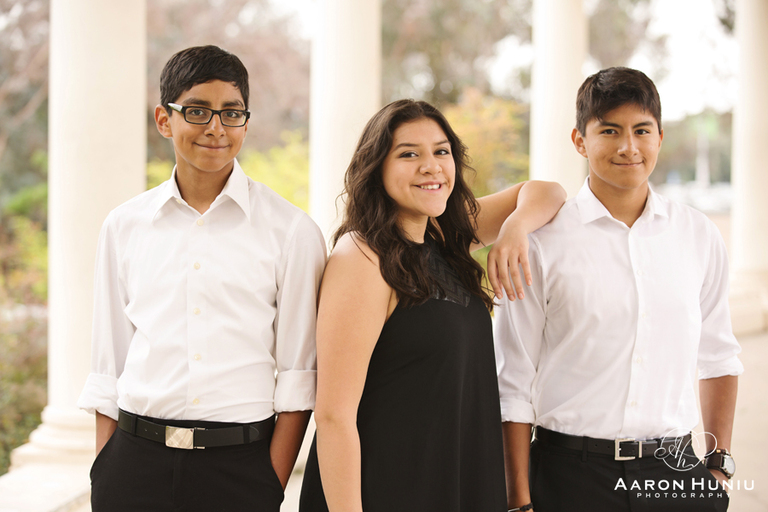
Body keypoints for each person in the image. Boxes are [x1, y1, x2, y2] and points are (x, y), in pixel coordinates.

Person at [76, 45, 326, 512]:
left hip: (241, 472)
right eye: (197, 111)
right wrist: (104, 468)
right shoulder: (124, 226)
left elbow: (298, 374)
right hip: (132, 466)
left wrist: (268, 483)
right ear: (164, 120)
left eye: (231, 113)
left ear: (246, 124)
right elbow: (108, 364)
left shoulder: (292, 232)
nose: (216, 128)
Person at [494, 67, 743, 512]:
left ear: (659, 138)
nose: (629, 147)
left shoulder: (698, 235)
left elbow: (719, 355)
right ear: (580, 141)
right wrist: (519, 502)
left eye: (641, 130)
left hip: (677, 476)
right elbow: (512, 382)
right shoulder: (539, 244)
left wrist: (718, 465)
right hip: (568, 476)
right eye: (610, 131)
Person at [298, 99, 567, 512]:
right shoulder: (362, 257)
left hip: (457, 481)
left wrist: (516, 228)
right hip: (390, 490)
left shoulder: (442, 236)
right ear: (376, 167)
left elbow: (548, 192)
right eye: (409, 154)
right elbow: (334, 416)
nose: (431, 166)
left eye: (441, 151)